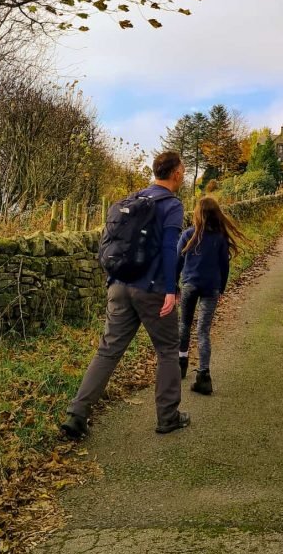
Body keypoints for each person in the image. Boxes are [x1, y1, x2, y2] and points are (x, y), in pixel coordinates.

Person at [61, 151, 191, 439]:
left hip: (119, 286)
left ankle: (77, 414)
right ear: (176, 174)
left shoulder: (131, 200)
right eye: (182, 170)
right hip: (153, 289)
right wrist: (171, 290)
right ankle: (168, 416)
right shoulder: (171, 205)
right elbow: (171, 249)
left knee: (108, 350)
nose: (183, 174)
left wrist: (114, 281)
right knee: (168, 350)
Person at [178, 196, 246, 395]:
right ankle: (204, 376)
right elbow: (224, 267)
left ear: (198, 214)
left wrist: (173, 285)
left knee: (184, 324)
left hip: (189, 285)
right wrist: (222, 289)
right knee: (203, 331)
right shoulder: (219, 239)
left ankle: (181, 362)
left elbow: (177, 261)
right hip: (211, 288)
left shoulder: (188, 235)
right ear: (216, 215)